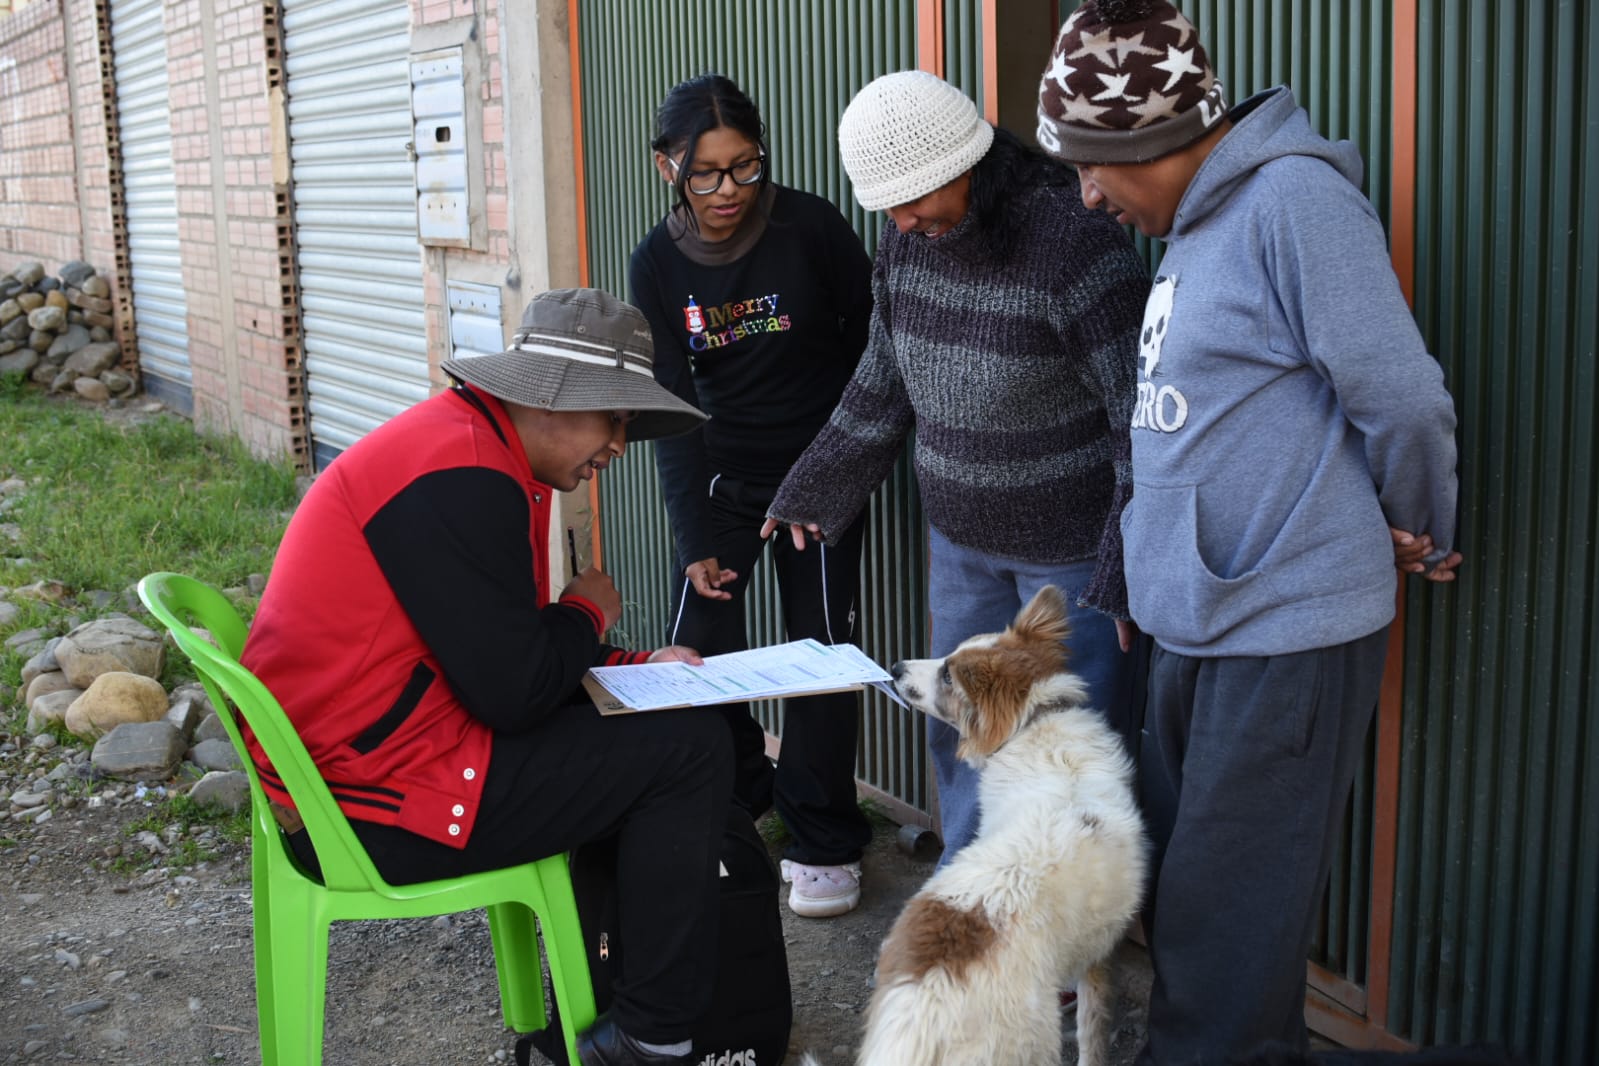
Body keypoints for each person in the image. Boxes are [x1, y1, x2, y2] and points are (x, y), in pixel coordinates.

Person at [1035, 1, 1464, 1062]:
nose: (1087, 194)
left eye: (1094, 164)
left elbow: (1402, 397)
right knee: (1196, 906)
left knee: (1224, 932)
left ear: (1149, 140)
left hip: (1284, 628)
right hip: (1201, 622)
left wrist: (1417, 522)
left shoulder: (1295, 205)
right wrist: (1147, 573)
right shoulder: (1193, 227)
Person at [241, 288, 732, 1066]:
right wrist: (586, 612)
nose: (619, 446)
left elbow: (494, 648)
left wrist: (636, 666)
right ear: (557, 400)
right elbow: (513, 692)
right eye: (617, 418)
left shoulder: (466, 447)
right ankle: (649, 1042)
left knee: (663, 736)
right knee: (692, 750)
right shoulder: (464, 474)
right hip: (370, 807)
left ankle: (615, 1017)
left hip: (372, 760)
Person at [761, 70, 1150, 869]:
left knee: (1070, 753)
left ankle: (1061, 941)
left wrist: (1120, 566)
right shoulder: (906, 246)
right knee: (963, 734)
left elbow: (1140, 419)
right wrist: (816, 485)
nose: (901, 222)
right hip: (963, 550)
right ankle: (967, 889)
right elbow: (882, 378)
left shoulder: (1073, 245)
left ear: (966, 164)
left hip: (1072, 561)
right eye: (889, 208)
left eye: (914, 201)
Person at [628, 74, 876, 918]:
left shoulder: (811, 228)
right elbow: (667, 398)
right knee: (695, 654)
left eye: (745, 168)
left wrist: (836, 471)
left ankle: (824, 839)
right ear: (667, 167)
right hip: (722, 482)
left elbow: (871, 354)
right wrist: (693, 533)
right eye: (707, 173)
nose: (729, 191)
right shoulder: (656, 262)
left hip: (820, 478)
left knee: (820, 659)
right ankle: (734, 801)